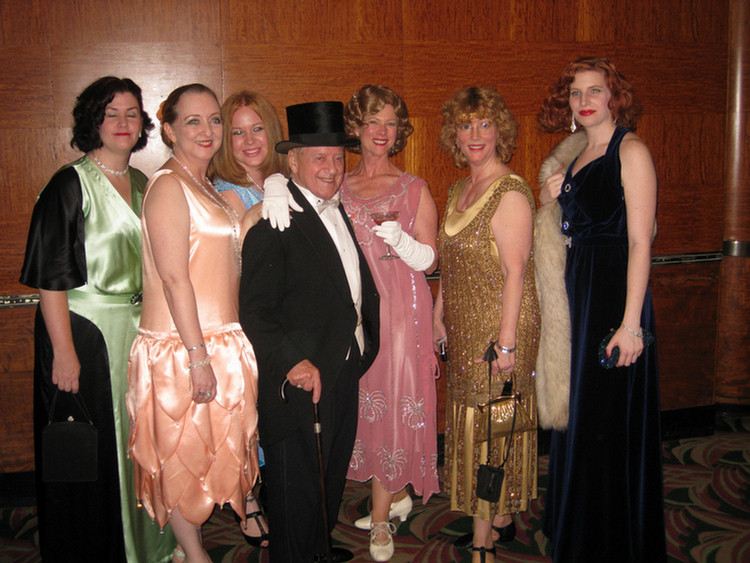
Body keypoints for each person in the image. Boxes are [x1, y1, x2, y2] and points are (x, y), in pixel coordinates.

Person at [19, 76, 176, 563]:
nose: (123, 123)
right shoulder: (70, 184)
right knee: (91, 448)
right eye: (111, 113)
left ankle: (145, 546)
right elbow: (50, 279)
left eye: (131, 113)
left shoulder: (145, 184)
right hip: (84, 332)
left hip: (139, 331)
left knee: (139, 439)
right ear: (94, 121)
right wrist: (63, 352)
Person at [537, 57, 666, 563]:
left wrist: (631, 325)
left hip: (614, 296)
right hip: (578, 294)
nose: (584, 101)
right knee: (582, 416)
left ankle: (607, 543)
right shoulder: (575, 153)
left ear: (615, 96)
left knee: (605, 420)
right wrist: (551, 194)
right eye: (575, 93)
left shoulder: (629, 150)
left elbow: (641, 242)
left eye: (595, 90)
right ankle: (578, 530)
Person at [239, 101, 380, 563]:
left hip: (342, 365)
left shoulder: (335, 209)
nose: (331, 168)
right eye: (319, 157)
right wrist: (292, 362)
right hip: (299, 379)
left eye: (338, 157)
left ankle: (316, 550)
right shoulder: (274, 220)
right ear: (294, 162)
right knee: (295, 492)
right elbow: (255, 311)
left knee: (327, 479)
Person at [127, 83, 259, 563]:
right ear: (168, 129)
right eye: (192, 121)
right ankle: (194, 554)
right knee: (180, 457)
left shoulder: (207, 185)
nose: (208, 131)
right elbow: (173, 278)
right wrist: (197, 357)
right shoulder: (168, 185)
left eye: (214, 120)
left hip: (219, 339)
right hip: (182, 346)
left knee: (213, 454)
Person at [433, 86, 540, 563]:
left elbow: (516, 272)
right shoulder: (458, 189)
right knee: (483, 423)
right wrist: (438, 313)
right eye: (465, 125)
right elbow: (451, 263)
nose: (475, 134)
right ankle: (499, 517)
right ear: (454, 135)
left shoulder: (510, 191)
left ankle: (483, 545)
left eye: (484, 124)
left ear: (500, 131)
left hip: (503, 327)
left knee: (490, 430)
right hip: (464, 325)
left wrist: (508, 343)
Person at [340, 84, 440, 562]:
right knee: (362, 408)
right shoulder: (336, 185)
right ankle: (395, 495)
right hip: (353, 314)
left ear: (400, 132)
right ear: (356, 128)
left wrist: (400, 240)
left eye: (391, 123)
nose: (382, 131)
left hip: (401, 314)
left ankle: (381, 521)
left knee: (392, 408)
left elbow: (429, 259)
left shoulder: (414, 188)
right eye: (372, 121)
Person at [207, 88, 290, 548]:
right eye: (237, 132)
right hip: (247, 316)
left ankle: (279, 485)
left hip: (288, 313)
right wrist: (269, 200)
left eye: (257, 129)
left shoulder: (285, 178)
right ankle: (248, 498)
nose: (250, 140)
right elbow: (240, 251)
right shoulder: (226, 191)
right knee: (249, 410)